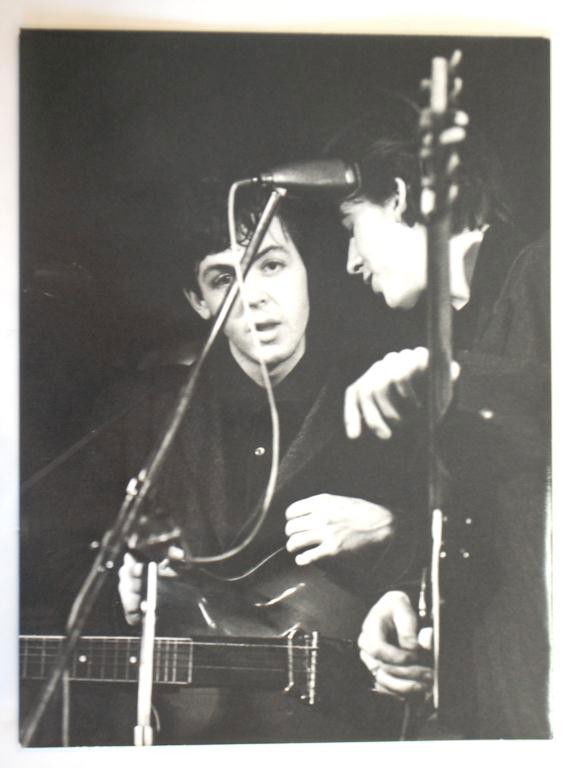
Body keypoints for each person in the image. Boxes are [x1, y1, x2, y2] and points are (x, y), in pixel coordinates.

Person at [108, 185, 416, 744]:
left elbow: (475, 548)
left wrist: (393, 529)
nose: (252, 297)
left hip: (356, 724)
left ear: (307, 273)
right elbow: (62, 571)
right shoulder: (151, 413)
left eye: (271, 265)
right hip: (201, 731)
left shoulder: (388, 393)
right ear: (199, 301)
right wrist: (123, 591)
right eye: (223, 278)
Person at [327, 116, 550, 738]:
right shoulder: (461, 333)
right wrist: (412, 598)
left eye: (351, 227)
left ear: (401, 197)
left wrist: (456, 379)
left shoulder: (554, 269)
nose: (350, 262)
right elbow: (490, 529)